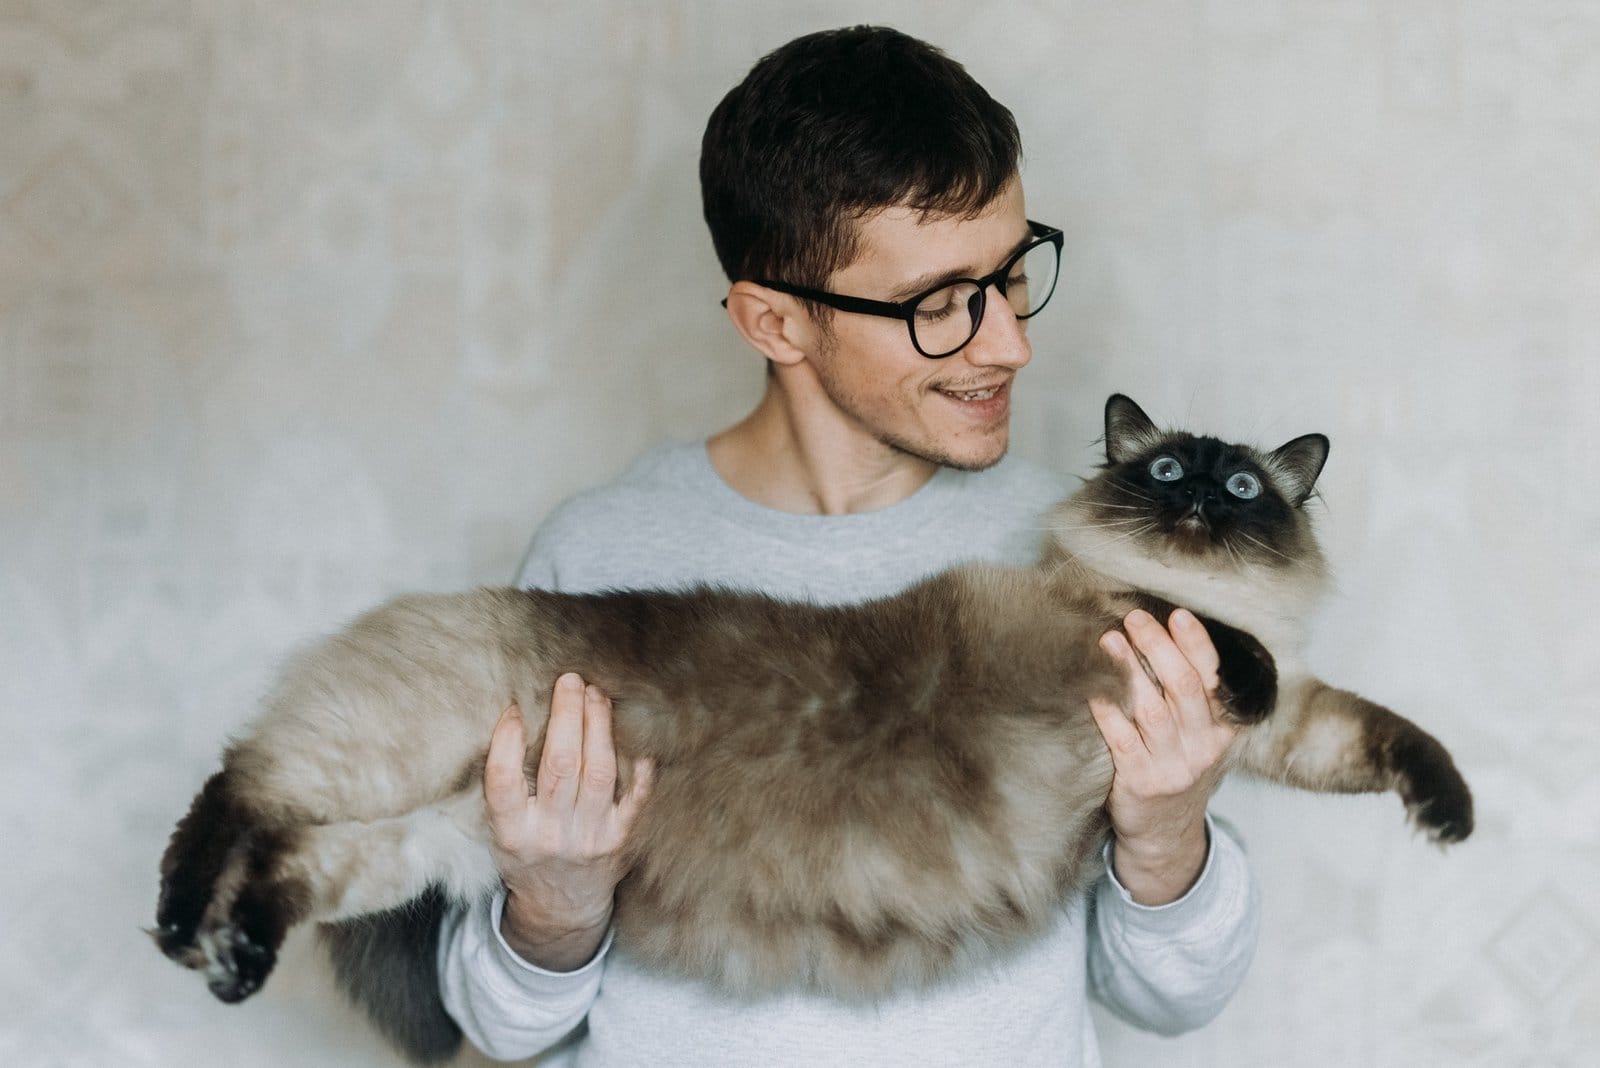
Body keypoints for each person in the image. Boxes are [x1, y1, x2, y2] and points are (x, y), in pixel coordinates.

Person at [436, 25, 1259, 1066]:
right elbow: (498, 1028)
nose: (1009, 341)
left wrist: (1167, 831)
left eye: (1010, 275)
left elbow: (1173, 999)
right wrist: (553, 907)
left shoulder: (1082, 550)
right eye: (939, 304)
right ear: (773, 323)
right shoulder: (599, 557)